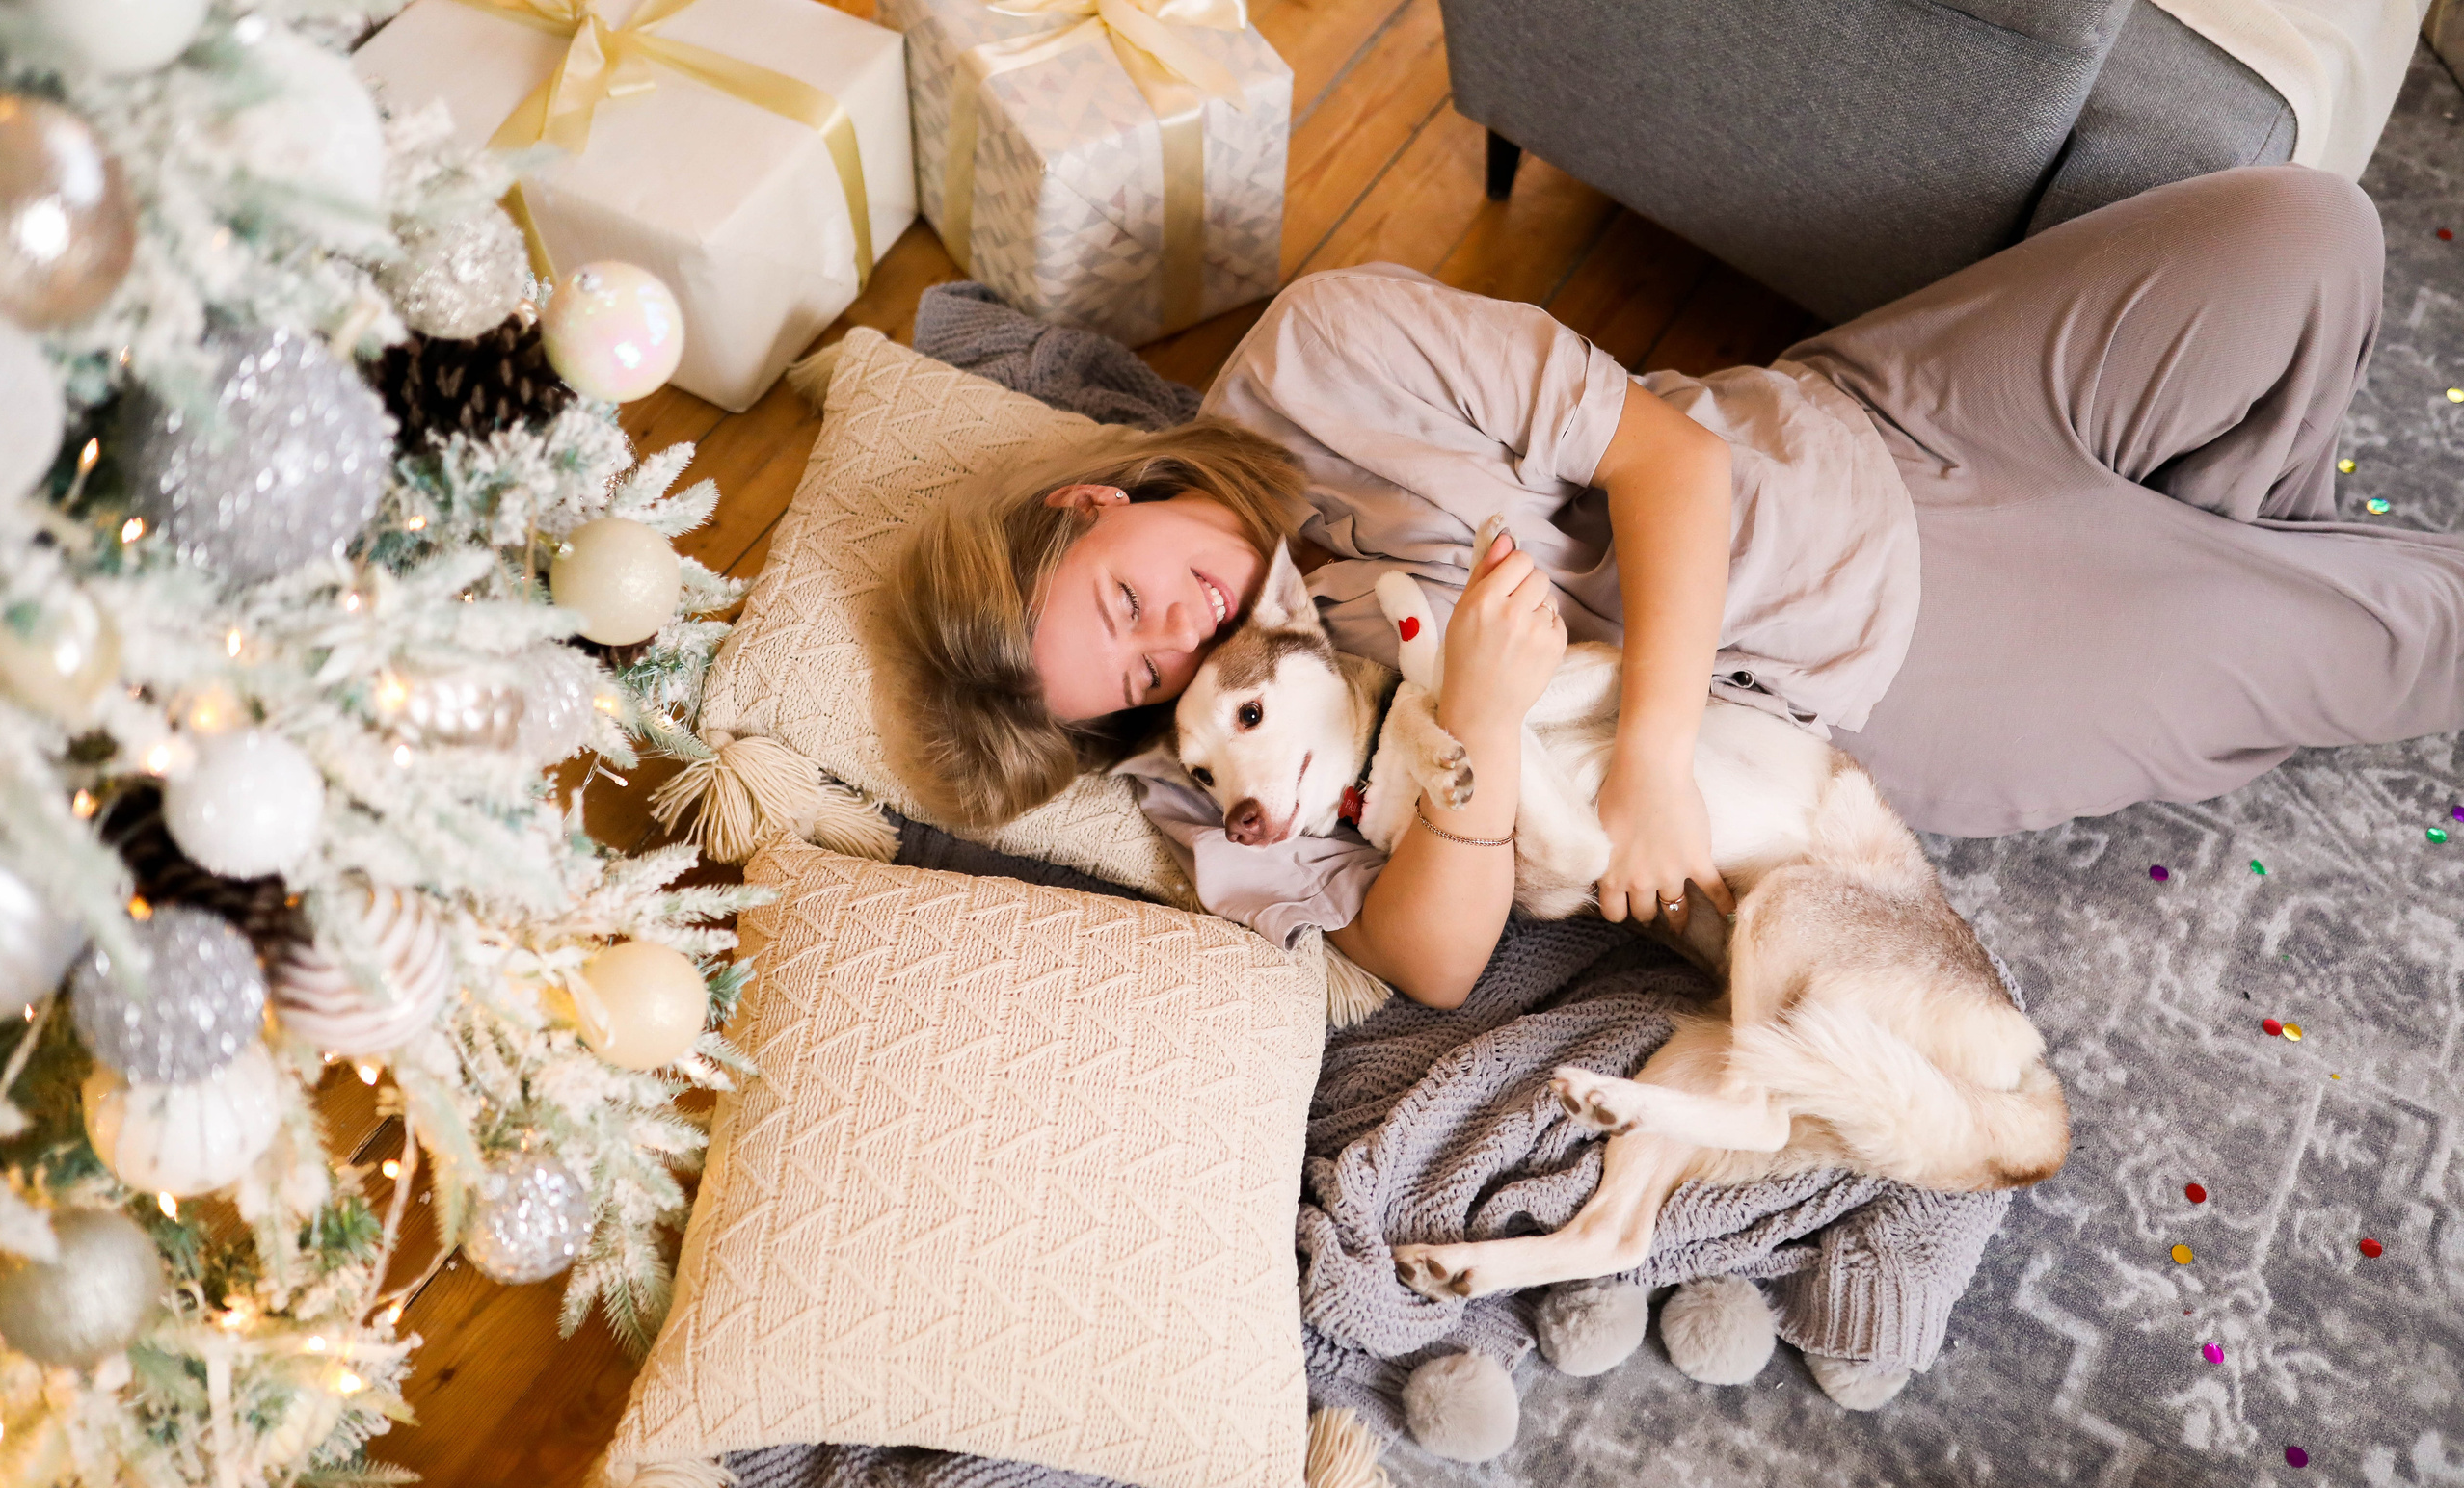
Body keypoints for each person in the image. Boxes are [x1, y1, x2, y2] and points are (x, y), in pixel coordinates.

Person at [883, 165, 2464, 1008]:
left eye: (1123, 605)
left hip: (1868, 411)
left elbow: (1673, 466)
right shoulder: (1218, 775)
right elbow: (1427, 964)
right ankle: (2227, 599)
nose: (1182, 647)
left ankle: (2223, 558)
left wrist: (1641, 766)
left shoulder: (1323, 350)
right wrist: (1484, 747)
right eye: (1143, 686)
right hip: (1894, 668)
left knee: (2309, 233)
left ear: (1096, 495)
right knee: (2412, 633)